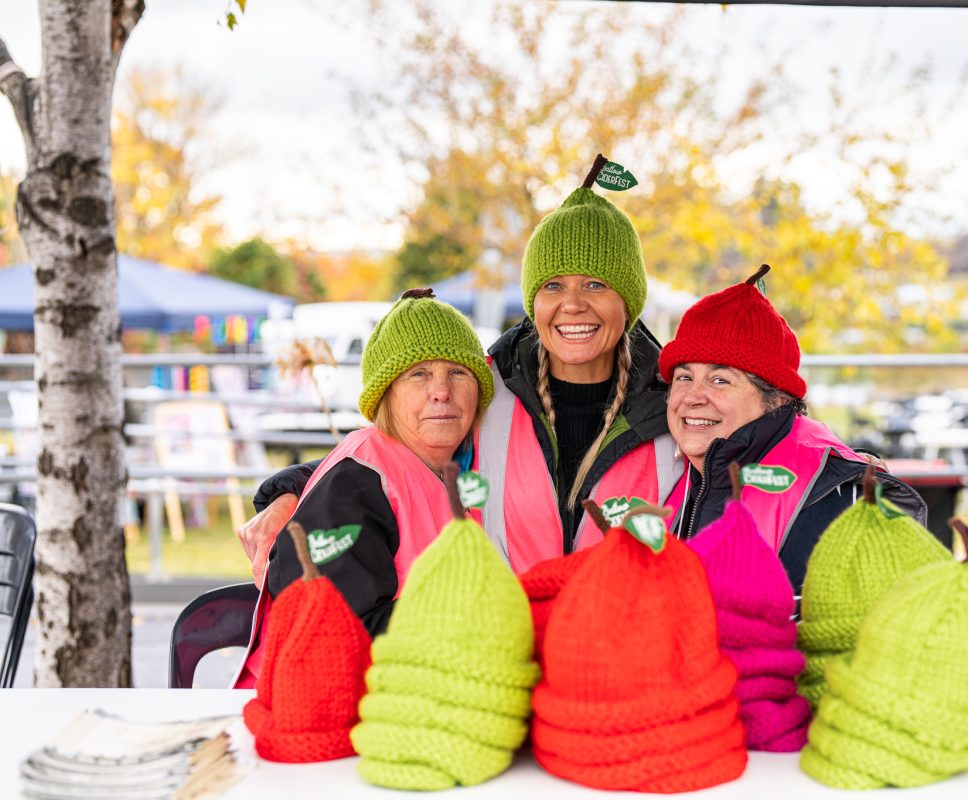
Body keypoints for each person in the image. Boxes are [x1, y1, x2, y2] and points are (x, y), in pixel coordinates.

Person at [238, 157, 679, 581]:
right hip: (504, 648)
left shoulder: (676, 403)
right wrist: (289, 492)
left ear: (629, 300)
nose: (573, 304)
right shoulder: (489, 386)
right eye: (553, 285)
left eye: (596, 284)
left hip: (625, 649)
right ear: (533, 300)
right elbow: (392, 452)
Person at [233, 289, 493, 688]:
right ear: (385, 393)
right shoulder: (354, 485)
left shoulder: (461, 463)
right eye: (418, 374)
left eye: (458, 372)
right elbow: (342, 638)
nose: (442, 391)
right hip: (314, 715)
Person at [658, 266, 927, 593]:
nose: (692, 398)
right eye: (684, 377)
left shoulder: (842, 498)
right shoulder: (667, 477)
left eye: (720, 380)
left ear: (774, 398)